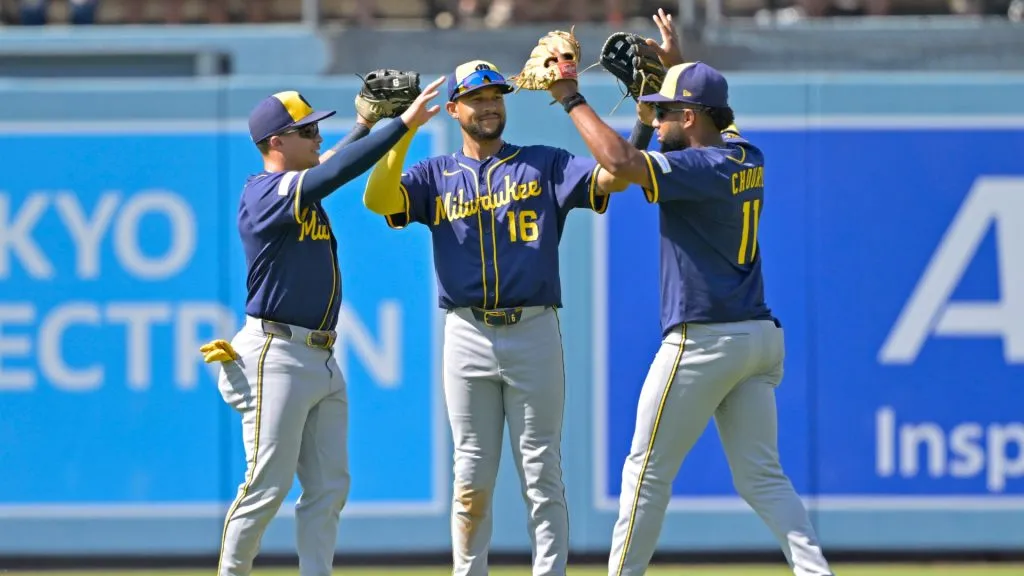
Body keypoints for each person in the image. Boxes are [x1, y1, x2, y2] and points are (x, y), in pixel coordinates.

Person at [542, 11, 836, 576]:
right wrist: (677, 67)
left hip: (706, 339)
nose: (651, 116)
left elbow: (623, 163)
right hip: (757, 340)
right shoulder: (745, 154)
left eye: (661, 110)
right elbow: (697, 123)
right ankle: (814, 571)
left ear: (691, 116)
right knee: (763, 477)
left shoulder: (699, 166)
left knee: (645, 471)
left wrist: (570, 97)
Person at [361, 60, 627, 576]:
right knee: (471, 477)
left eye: (496, 96)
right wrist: (403, 130)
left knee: (541, 472)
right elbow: (378, 200)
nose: (489, 105)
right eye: (477, 98)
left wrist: (576, 100)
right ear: (455, 108)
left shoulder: (544, 163)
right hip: (466, 332)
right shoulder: (435, 174)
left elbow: (613, 176)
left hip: (533, 329)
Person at [198, 78, 446, 576]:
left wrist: (363, 125)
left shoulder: (296, 186)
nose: (315, 136)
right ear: (276, 143)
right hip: (276, 351)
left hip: (320, 357)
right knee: (266, 484)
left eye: (315, 128)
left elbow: (328, 165)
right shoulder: (263, 193)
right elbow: (332, 172)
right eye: (305, 130)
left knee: (330, 486)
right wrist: (399, 126)